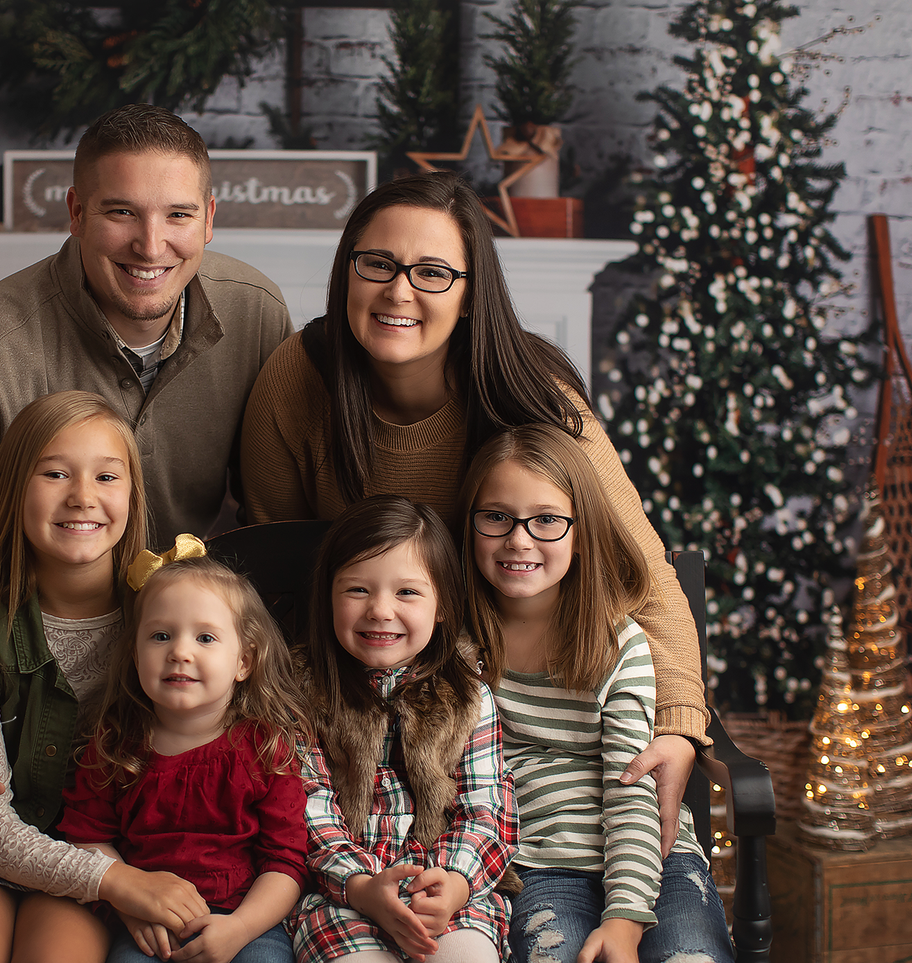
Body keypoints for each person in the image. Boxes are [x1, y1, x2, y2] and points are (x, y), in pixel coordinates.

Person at [0, 103, 294, 828]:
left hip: (179, 701)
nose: (151, 244)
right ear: (75, 212)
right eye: (120, 212)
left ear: (208, 218)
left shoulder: (258, 314)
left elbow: (275, 525)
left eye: (176, 214)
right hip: (14, 698)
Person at [239, 171, 707, 845]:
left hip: (513, 709)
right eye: (376, 264)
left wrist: (678, 723)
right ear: (346, 270)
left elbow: (639, 565)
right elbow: (273, 579)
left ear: (470, 294)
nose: (397, 291)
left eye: (431, 272)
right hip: (354, 706)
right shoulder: (297, 377)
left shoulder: (530, 393)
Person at [0, 391, 214, 963]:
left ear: (132, 496)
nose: (83, 497)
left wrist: (120, 875)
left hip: (98, 849)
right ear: (13, 489)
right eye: (55, 473)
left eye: (107, 477)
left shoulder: (165, 616)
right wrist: (119, 884)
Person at [461, 423, 733, 963]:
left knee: (692, 956)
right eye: (496, 517)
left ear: (580, 532)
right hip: (538, 860)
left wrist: (627, 918)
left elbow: (630, 782)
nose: (519, 539)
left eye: (547, 520)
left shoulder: (616, 641)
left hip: (654, 854)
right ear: (468, 526)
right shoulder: (462, 648)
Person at [60, 543, 311, 963]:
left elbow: (285, 862)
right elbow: (87, 838)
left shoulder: (265, 747)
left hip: (245, 919)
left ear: (243, 662)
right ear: (135, 655)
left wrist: (241, 928)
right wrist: (128, 904)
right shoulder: (115, 743)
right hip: (146, 922)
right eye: (160, 635)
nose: (179, 651)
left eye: (205, 637)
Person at [291, 496, 516, 963]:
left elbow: (485, 807)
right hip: (343, 895)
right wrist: (361, 887)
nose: (379, 610)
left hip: (447, 893)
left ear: (441, 607)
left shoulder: (469, 698)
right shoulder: (302, 693)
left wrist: (453, 883)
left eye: (407, 592)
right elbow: (305, 808)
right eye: (356, 590)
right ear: (327, 595)